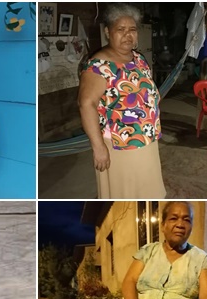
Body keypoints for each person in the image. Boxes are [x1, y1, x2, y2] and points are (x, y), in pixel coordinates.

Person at [78, 3, 165, 199]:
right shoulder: (98, 66)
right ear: (108, 32)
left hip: (147, 139)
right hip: (121, 144)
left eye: (132, 30)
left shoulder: (138, 59)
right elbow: (86, 105)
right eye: (121, 29)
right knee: (127, 192)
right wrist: (98, 147)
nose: (128, 35)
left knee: (147, 187)